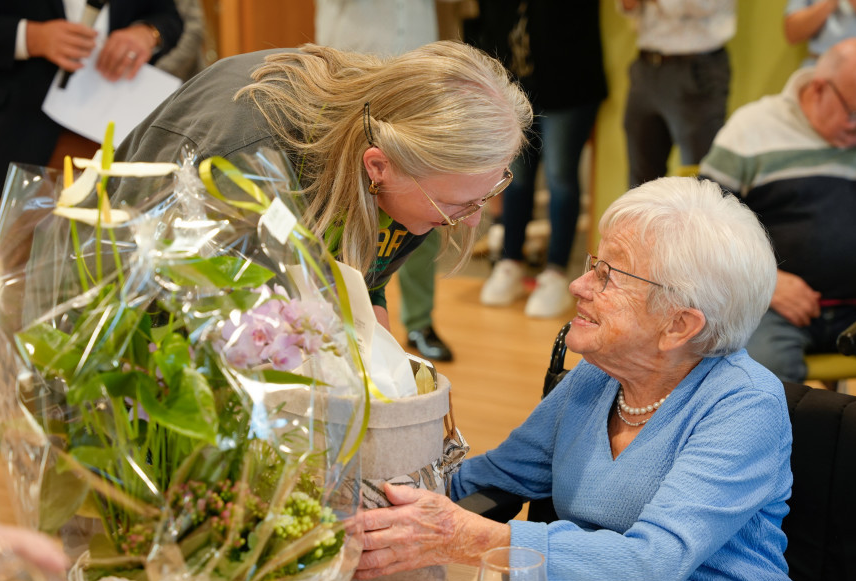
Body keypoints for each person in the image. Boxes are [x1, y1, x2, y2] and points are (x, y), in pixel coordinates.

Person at [354, 176, 804, 581]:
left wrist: (469, 538)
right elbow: (484, 480)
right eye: (594, 264)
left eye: (608, 276)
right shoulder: (598, 378)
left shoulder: (746, 406)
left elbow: (651, 564)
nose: (578, 285)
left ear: (679, 325)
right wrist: (365, 495)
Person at [115, 41, 532, 331]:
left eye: (486, 195)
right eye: (454, 205)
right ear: (378, 167)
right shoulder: (240, 156)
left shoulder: (419, 175)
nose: (470, 219)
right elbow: (147, 301)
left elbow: (363, 287)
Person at [699, 37, 856, 383]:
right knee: (758, 378)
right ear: (818, 89)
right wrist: (766, 283)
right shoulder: (751, 128)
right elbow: (703, 223)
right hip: (771, 306)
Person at [315, 0, 458, 361]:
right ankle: (329, 328)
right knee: (346, 209)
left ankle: (419, 321)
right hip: (352, 75)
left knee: (428, 203)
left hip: (420, 77)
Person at [472, 0, 607, 318]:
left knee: (560, 178)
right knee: (515, 177)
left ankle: (556, 273)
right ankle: (510, 262)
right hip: (515, 86)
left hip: (568, 87)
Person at [0, 0, 184, 193]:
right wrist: (29, 36)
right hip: (17, 125)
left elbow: (168, 15)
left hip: (112, 126)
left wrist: (148, 33)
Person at [618, 0, 735, 188]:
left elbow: (703, 5)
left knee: (700, 182)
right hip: (646, 64)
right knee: (640, 183)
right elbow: (630, 8)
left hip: (696, 66)